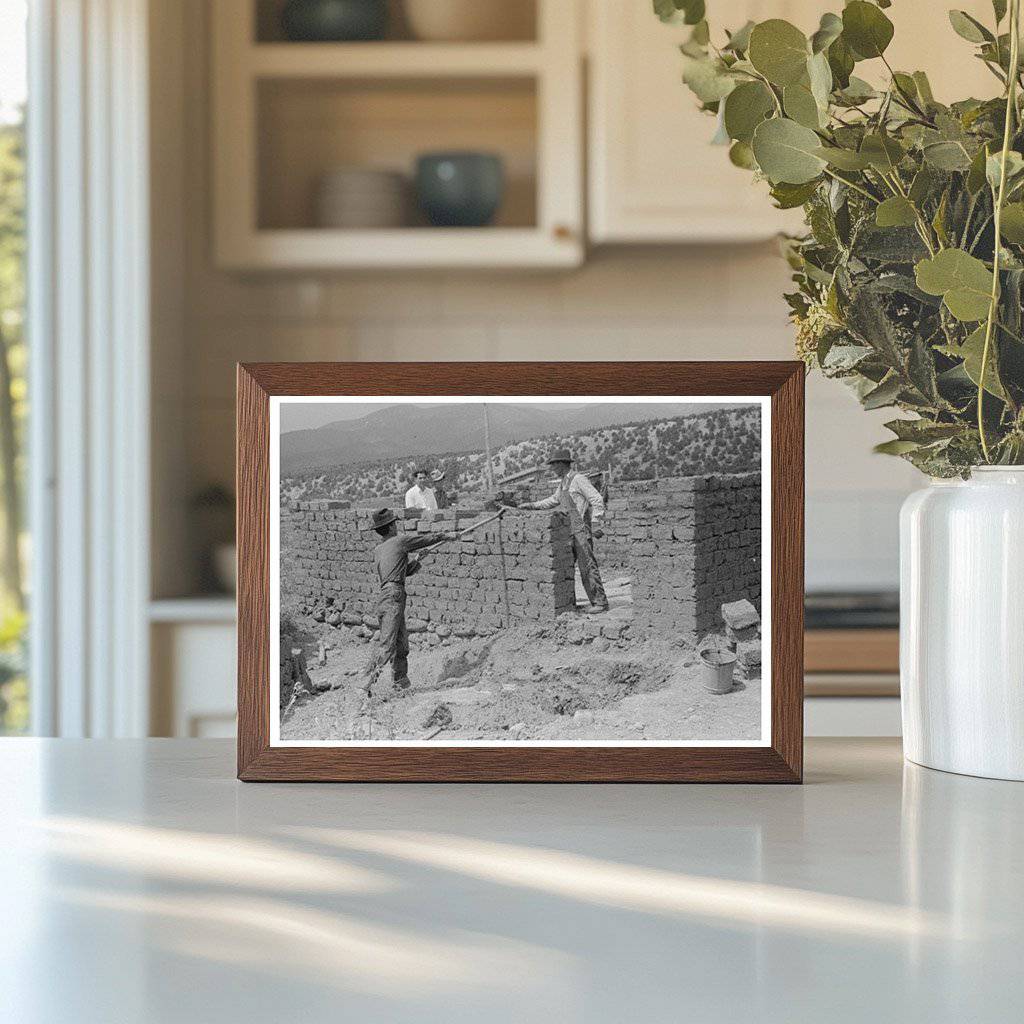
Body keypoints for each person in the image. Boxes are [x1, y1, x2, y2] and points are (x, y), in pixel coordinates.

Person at [364, 508, 453, 699]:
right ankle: (363, 686)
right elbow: (425, 540)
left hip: (391, 595)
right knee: (387, 645)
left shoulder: (379, 549)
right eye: (394, 524)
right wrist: (447, 535)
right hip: (393, 596)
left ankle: (400, 684)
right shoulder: (399, 541)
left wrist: (418, 560)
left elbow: (400, 573)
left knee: (401, 645)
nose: (396, 526)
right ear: (391, 527)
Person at [514, 448, 609, 614]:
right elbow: (553, 500)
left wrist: (596, 521)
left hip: (581, 528)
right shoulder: (564, 483)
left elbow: (597, 499)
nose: (552, 469)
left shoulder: (578, 479)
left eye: (554, 465)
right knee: (566, 567)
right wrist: (532, 505)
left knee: (587, 566)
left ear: (561, 464)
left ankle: (600, 602)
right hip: (568, 530)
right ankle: (569, 602)